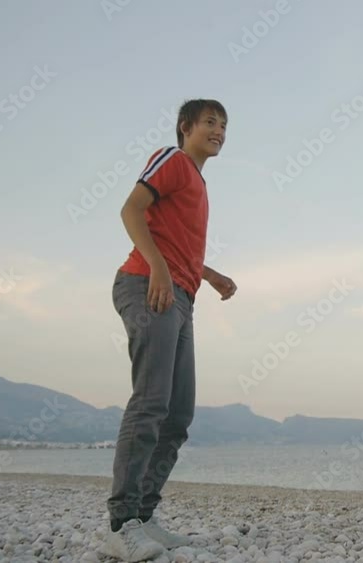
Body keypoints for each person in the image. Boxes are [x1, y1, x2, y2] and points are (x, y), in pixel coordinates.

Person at [101, 99, 237, 561]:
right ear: (185, 127)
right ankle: (121, 524)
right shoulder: (173, 159)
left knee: (177, 415)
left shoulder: (199, 183)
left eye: (224, 125)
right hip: (147, 285)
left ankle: (144, 515)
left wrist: (209, 275)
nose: (219, 130)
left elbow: (176, 242)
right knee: (151, 402)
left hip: (182, 295)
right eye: (210, 122)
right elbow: (131, 210)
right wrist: (158, 269)